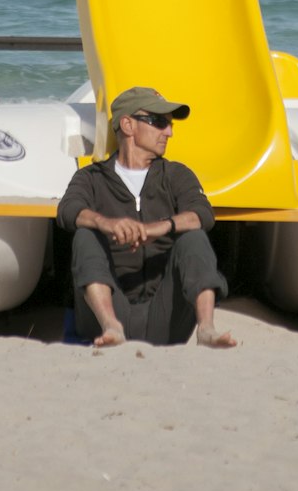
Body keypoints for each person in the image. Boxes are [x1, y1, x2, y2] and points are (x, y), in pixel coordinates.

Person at [56, 85, 236, 349]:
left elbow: (203, 214)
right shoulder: (91, 178)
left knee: (194, 238)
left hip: (164, 317)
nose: (169, 132)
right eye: (159, 122)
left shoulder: (176, 174)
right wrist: (107, 223)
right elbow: (67, 210)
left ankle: (206, 329)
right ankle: (111, 326)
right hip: (106, 315)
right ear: (128, 125)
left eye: (170, 124)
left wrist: (158, 228)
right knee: (85, 235)